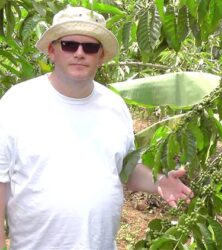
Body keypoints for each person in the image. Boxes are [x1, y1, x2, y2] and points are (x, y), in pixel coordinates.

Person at [0, 6, 192, 250]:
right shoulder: (18, 102)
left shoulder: (114, 106)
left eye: (90, 47)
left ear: (101, 56)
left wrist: (160, 182)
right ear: (52, 50)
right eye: (69, 45)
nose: (79, 53)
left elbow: (125, 169)